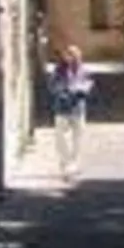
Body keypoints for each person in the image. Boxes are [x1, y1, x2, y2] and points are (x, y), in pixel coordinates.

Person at [47, 45, 94, 182]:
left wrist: (81, 89)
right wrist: (63, 91)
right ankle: (65, 163)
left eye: (74, 55)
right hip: (62, 108)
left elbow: (88, 83)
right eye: (68, 55)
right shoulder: (58, 71)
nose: (70, 58)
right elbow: (52, 85)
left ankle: (73, 164)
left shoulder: (83, 70)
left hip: (77, 108)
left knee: (78, 138)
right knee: (60, 137)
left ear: (78, 57)